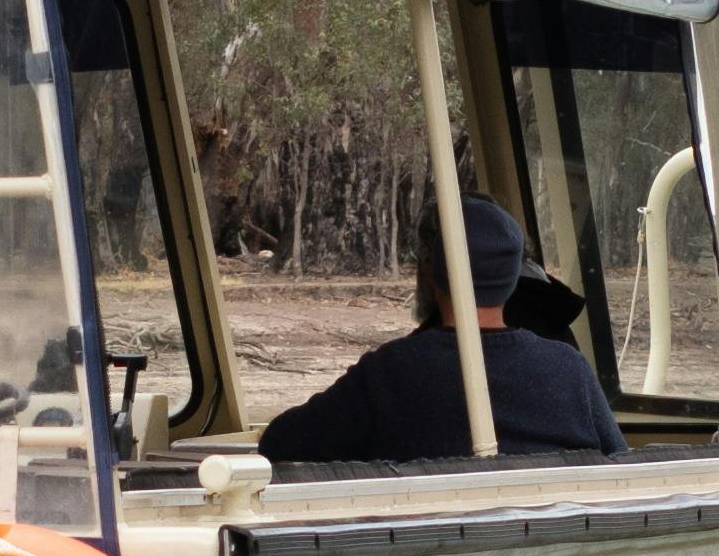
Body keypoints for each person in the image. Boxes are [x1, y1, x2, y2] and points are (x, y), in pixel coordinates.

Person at [257, 193, 625, 467]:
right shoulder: (569, 369)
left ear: (429, 273)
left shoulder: (392, 372)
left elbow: (279, 444)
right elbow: (621, 469)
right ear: (515, 281)